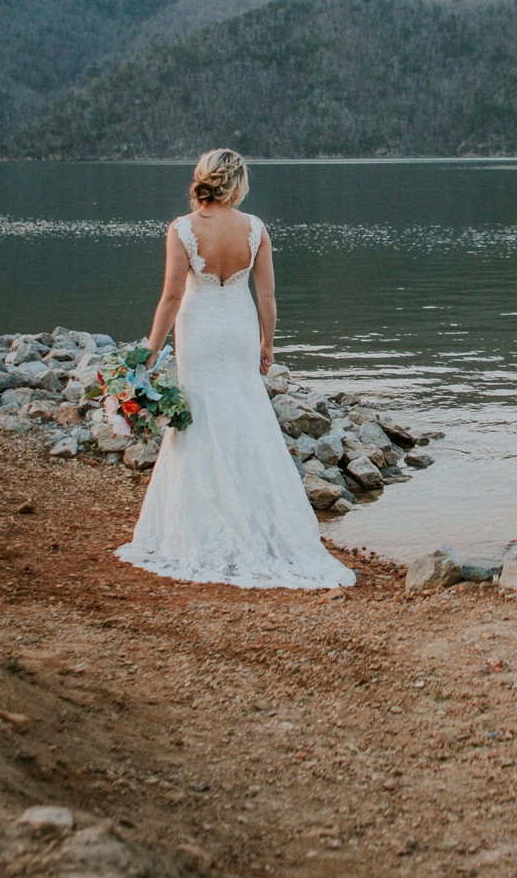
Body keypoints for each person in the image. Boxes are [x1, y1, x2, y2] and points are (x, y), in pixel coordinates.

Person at [116, 148, 355, 588]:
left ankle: (199, 526)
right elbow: (267, 297)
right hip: (241, 327)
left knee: (198, 416)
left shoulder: (182, 229)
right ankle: (259, 521)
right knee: (245, 411)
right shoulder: (255, 228)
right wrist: (268, 342)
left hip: (199, 328)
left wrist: (150, 353)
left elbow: (170, 298)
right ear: (235, 182)